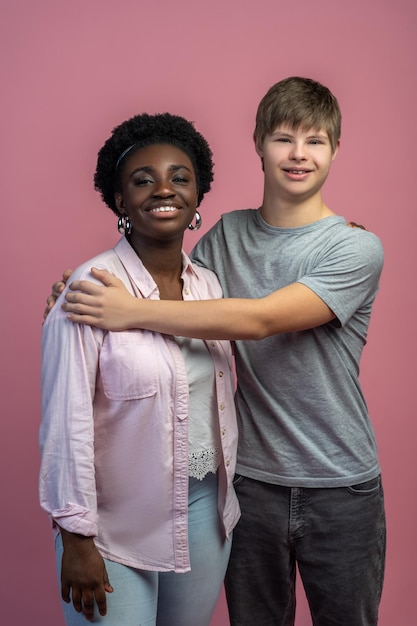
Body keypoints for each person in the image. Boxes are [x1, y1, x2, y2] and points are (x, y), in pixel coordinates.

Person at [47, 77, 386, 626]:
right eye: (283, 138)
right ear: (257, 143)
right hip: (247, 488)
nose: (298, 154)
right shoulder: (223, 240)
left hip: (339, 484)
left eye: (315, 141)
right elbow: (169, 275)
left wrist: (127, 311)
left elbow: (258, 320)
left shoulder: (355, 246)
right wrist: (77, 291)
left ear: (335, 148)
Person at [39, 113, 240, 626]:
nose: (163, 189)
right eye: (143, 180)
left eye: (179, 176)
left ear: (198, 195)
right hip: (111, 524)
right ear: (120, 201)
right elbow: (66, 422)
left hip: (205, 508)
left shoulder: (209, 286)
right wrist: (76, 538)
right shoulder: (88, 290)